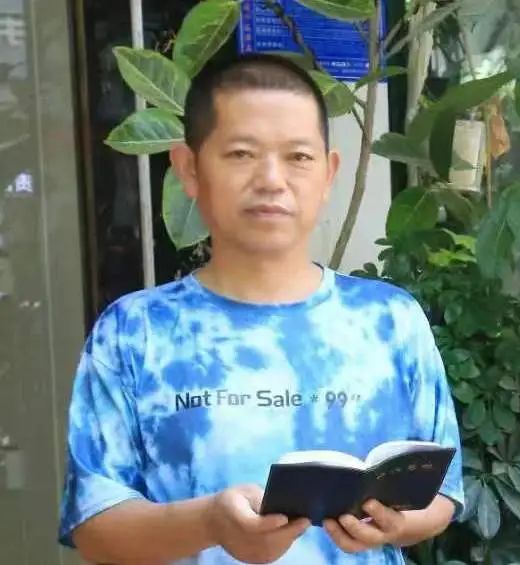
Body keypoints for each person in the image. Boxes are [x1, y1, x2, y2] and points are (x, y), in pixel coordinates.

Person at [58, 53, 464, 564]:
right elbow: (94, 527)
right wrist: (209, 523)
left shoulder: (390, 320)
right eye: (241, 154)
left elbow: (443, 495)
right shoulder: (133, 331)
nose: (272, 180)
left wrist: (397, 525)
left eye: (298, 157)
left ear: (328, 174)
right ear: (189, 169)